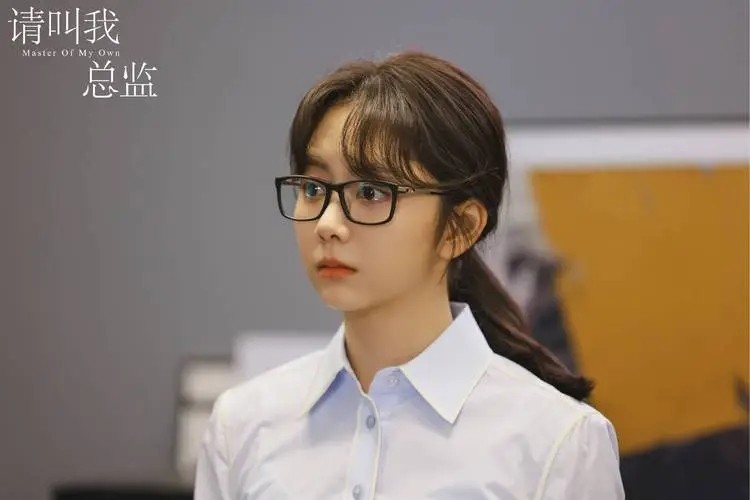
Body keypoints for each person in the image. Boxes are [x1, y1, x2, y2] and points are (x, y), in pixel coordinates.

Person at [195, 51, 625, 499]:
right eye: (313, 187)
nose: (327, 223)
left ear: (460, 228)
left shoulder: (557, 443)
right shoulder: (243, 426)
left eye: (370, 192)